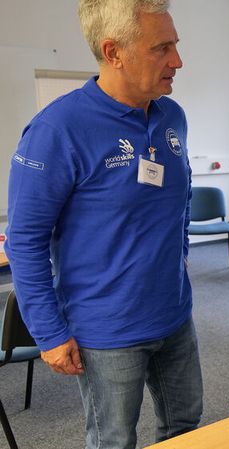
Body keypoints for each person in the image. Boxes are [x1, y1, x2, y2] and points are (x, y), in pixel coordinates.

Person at [5, 1, 202, 447]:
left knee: (187, 429)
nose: (177, 60)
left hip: (174, 315)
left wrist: (179, 259)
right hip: (107, 332)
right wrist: (50, 333)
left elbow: (181, 199)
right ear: (114, 52)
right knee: (113, 439)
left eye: (176, 45)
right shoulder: (58, 129)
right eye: (162, 48)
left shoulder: (172, 116)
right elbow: (25, 240)